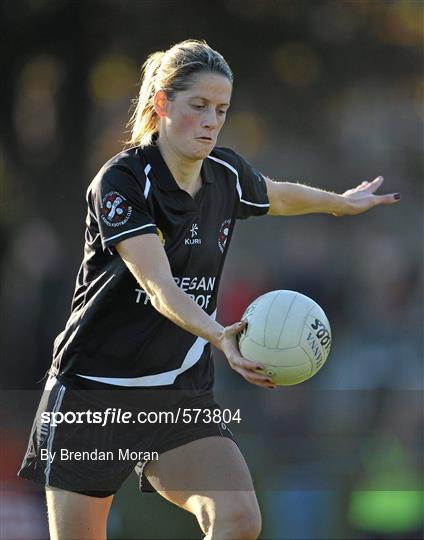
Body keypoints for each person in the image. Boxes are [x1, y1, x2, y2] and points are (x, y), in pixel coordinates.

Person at [18, 39, 400, 540]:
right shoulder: (122, 182)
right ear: (162, 104)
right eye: (198, 106)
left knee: (239, 519)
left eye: (221, 110)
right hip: (94, 393)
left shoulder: (224, 173)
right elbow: (159, 287)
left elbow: (277, 195)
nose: (211, 120)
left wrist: (339, 203)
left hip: (177, 392)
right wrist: (222, 337)